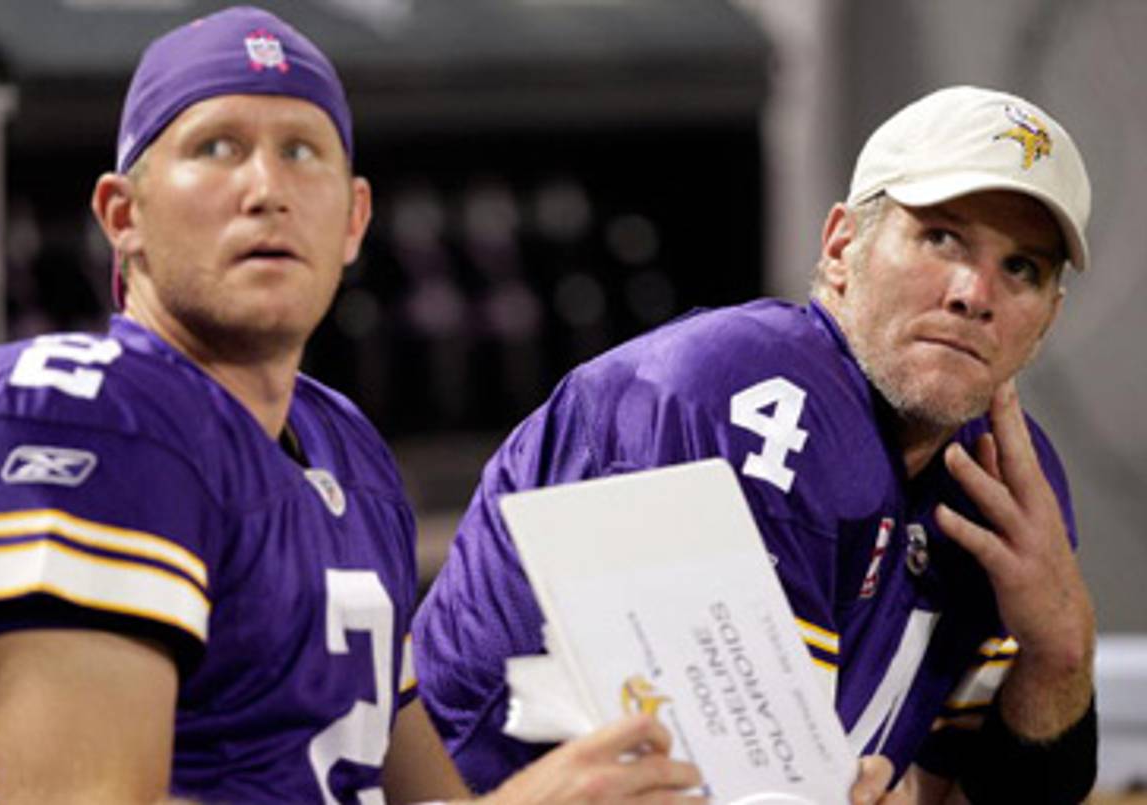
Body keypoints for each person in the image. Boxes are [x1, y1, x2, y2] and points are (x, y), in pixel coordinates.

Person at [0, 6, 710, 803]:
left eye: (302, 151)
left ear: (353, 221)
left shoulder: (346, 447)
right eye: (216, 147)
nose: (266, 188)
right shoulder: (72, 414)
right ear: (122, 216)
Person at [413, 85, 1099, 803]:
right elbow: (723, 787)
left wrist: (1059, 651)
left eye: (1022, 267)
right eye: (941, 237)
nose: (974, 291)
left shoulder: (1006, 481)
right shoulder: (741, 393)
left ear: (1047, 319)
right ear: (843, 248)